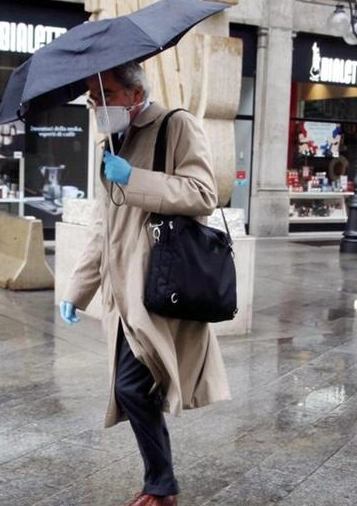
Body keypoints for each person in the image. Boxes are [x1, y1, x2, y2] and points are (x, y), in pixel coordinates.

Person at [59, 61, 230, 506]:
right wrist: (78, 292)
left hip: (158, 284)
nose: (97, 104)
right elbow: (103, 228)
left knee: (133, 387)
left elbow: (203, 194)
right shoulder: (112, 142)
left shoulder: (177, 125)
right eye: (93, 97)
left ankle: (162, 486)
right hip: (123, 291)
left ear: (135, 95)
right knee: (134, 388)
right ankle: (160, 483)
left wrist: (132, 178)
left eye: (107, 94)